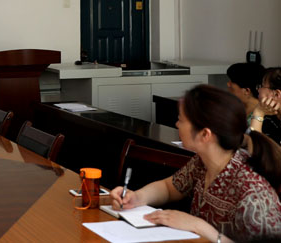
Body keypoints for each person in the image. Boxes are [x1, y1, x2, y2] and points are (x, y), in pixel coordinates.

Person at [111, 85, 281, 242]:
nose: (176, 124)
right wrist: (137, 197)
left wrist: (198, 226)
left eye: (181, 120)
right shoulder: (202, 162)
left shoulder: (253, 193)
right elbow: (170, 188)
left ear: (205, 134)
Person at [249, 67, 281, 144]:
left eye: (261, 86)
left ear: (276, 94)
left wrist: (258, 113)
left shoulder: (262, 113)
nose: (258, 90)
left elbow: (255, 147)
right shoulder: (268, 116)